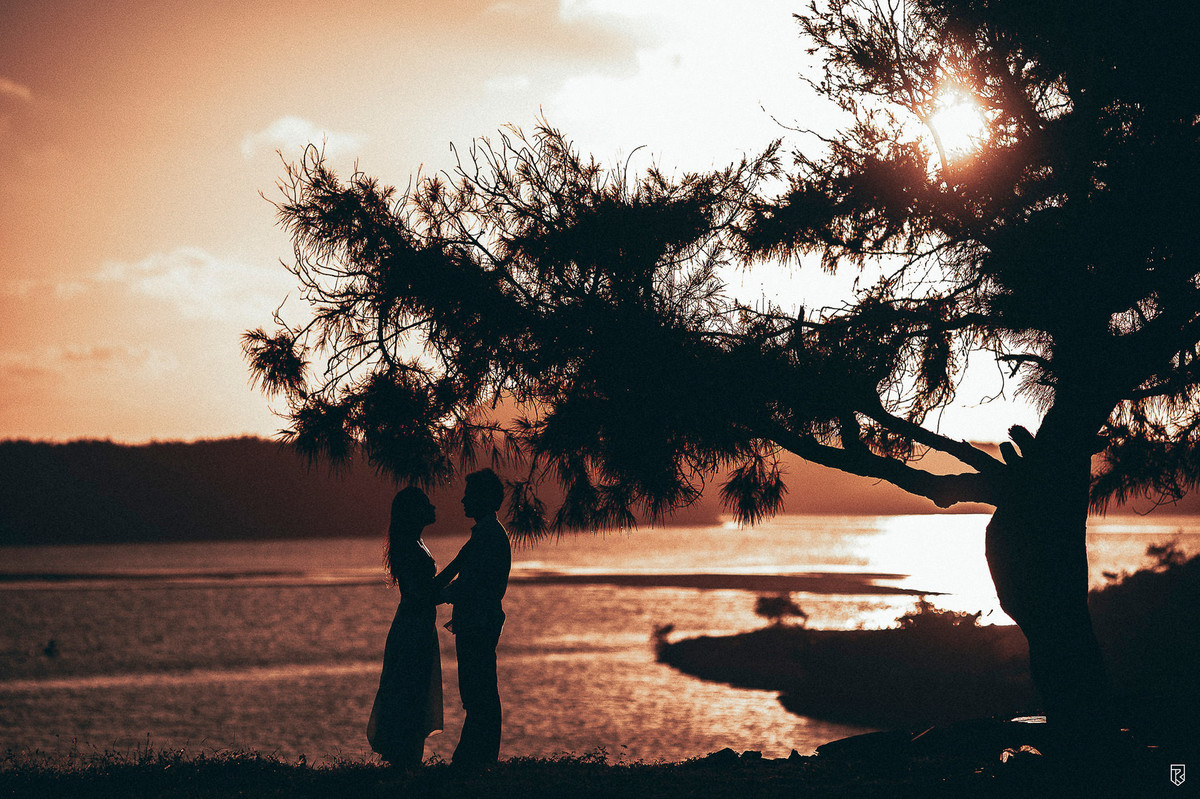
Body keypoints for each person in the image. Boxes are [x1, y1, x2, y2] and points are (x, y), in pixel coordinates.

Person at [367, 487, 452, 769]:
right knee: (411, 692)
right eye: (426, 503)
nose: (433, 507)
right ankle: (406, 763)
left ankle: (408, 762)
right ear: (414, 512)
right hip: (412, 628)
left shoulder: (416, 542)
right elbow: (421, 594)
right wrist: (460, 566)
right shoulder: (408, 546)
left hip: (418, 625)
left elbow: (426, 591)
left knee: (416, 692)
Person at [439, 468, 511, 767]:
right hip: (479, 621)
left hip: (478, 623)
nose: (463, 500)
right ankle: (478, 757)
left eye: (469, 495)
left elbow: (470, 584)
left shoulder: (487, 535)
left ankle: (474, 759)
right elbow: (458, 568)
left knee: (477, 693)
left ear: (485, 499)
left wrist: (437, 595)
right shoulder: (485, 533)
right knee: (478, 691)